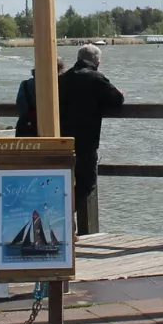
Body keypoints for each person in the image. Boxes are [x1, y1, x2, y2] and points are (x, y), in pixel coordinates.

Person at [57, 44, 124, 234]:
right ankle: (64, 214)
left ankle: (64, 217)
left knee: (63, 181)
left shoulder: (63, 79)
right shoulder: (96, 78)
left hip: (62, 140)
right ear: (97, 61)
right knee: (87, 183)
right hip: (86, 140)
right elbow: (117, 100)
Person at [13, 57, 65, 137]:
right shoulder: (63, 84)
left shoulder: (25, 85)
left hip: (28, 130)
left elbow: (21, 106)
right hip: (57, 131)